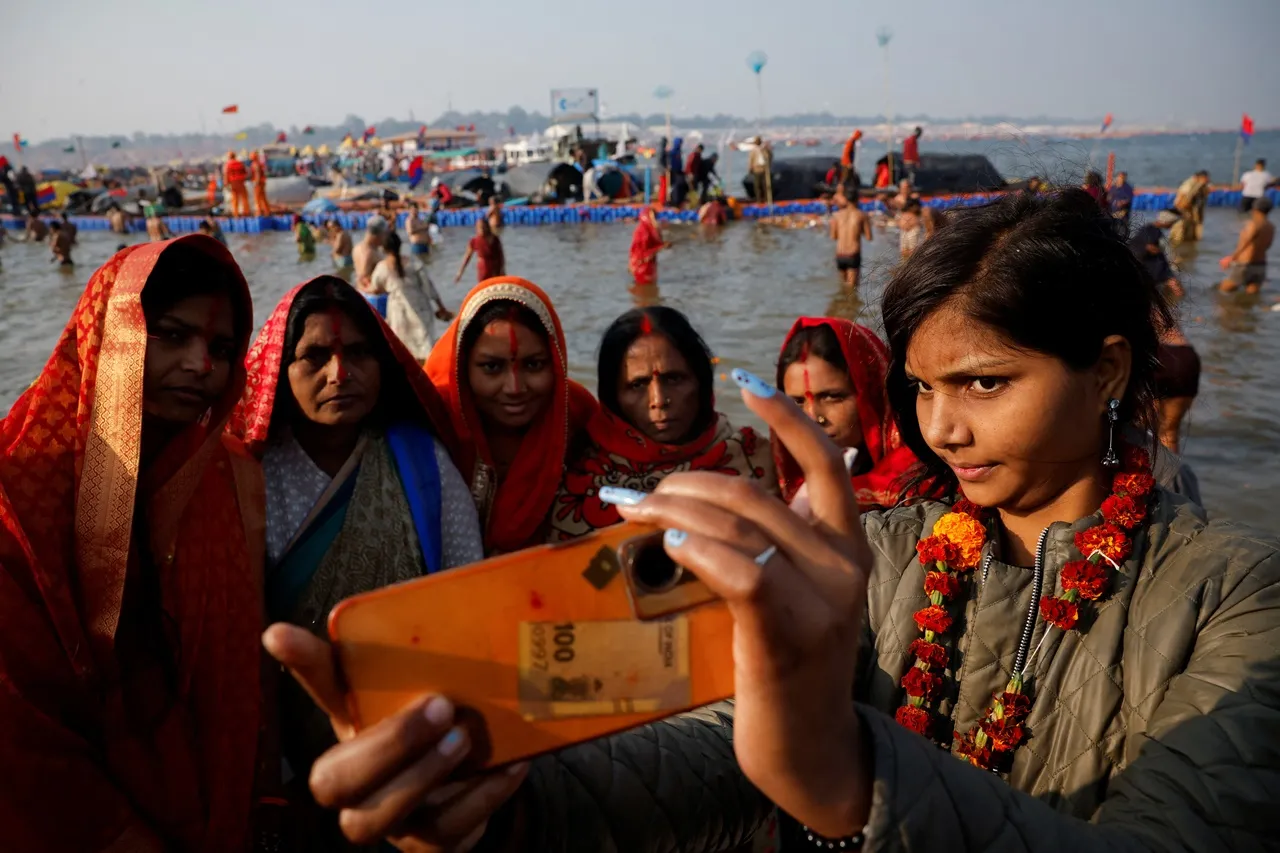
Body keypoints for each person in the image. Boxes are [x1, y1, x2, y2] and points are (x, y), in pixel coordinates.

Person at [257, 188, 1280, 853]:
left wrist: (844, 773)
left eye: (982, 382)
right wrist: (503, 793)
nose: (942, 428)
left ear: (1104, 369)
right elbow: (714, 743)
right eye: (922, 388)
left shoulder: (1235, 595)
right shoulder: (880, 548)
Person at [0, 237, 268, 852]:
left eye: (222, 349)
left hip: (205, 805)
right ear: (108, 336)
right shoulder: (18, 489)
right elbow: (19, 726)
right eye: (171, 336)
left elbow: (242, 673)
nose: (202, 365)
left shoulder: (225, 481)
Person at [226, 276, 483, 851]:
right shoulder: (250, 477)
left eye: (358, 353)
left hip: (413, 737)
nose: (340, 374)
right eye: (315, 357)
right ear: (279, 373)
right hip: (280, 749)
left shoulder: (422, 461)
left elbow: (465, 595)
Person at [549, 306, 775, 540]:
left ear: (701, 382)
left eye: (674, 378)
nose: (659, 400)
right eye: (637, 385)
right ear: (612, 397)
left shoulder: (751, 455)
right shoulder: (579, 472)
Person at [425, 277, 596, 552]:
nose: (514, 388)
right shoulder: (432, 420)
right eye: (492, 367)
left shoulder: (578, 415)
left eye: (534, 365)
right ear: (462, 366)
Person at [774, 317, 921, 511]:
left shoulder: (925, 481)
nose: (812, 418)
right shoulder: (766, 475)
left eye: (832, 397)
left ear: (874, 395)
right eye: (797, 401)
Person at [374, 230, 453, 358]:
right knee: (425, 346)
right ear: (400, 246)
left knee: (402, 349)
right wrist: (441, 307)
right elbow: (429, 288)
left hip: (397, 309)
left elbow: (376, 288)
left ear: (384, 248)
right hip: (419, 307)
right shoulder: (414, 263)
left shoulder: (381, 268)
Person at [1153, 323, 1200, 454]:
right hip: (1185, 354)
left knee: (1137, 428)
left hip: (1156, 350)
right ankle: (1170, 474)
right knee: (1170, 432)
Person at [1219, 195, 1274, 294]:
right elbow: (1267, 245)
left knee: (1222, 293)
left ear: (1255, 209)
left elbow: (1245, 243)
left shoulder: (1253, 224)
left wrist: (1231, 258)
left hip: (1245, 265)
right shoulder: (1271, 227)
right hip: (1261, 265)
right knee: (1250, 296)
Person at [1128, 209, 1182, 298]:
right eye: (1172, 223)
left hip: (1151, 266)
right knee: (1175, 288)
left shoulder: (1149, 228)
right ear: (1166, 221)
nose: (1172, 225)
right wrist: (1164, 251)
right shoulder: (1154, 231)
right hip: (1154, 267)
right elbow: (1149, 247)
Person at [830, 188, 872, 288]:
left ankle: (842, 303)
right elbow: (869, 237)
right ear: (857, 199)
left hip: (840, 254)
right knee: (852, 290)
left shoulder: (836, 215)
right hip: (852, 254)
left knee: (843, 287)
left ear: (846, 199)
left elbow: (833, 236)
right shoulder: (862, 215)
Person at [454, 217, 505, 285]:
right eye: (480, 227)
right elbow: (467, 257)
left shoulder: (495, 239)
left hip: (496, 270)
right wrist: (460, 272)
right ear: (476, 228)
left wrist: (502, 270)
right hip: (483, 271)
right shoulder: (474, 241)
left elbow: (501, 256)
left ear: (487, 227)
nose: (482, 229)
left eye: (483, 227)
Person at [629, 206, 669, 286]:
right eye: (653, 217)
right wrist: (661, 247)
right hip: (642, 264)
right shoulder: (643, 231)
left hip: (650, 263)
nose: (655, 220)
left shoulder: (651, 230)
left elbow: (657, 243)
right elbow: (643, 251)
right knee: (644, 287)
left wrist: (663, 244)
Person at [1171, 170, 1209, 245]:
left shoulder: (1200, 185)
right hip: (1183, 213)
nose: (1207, 181)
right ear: (1200, 177)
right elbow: (1181, 202)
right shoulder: (1188, 185)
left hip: (1192, 215)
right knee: (1179, 237)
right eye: (1205, 179)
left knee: (1191, 239)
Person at [352, 215, 386, 295]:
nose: (384, 238)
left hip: (364, 294)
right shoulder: (369, 253)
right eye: (383, 235)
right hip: (371, 296)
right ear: (376, 235)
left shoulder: (357, 247)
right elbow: (362, 278)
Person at [223, 151, 249, 217]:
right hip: (241, 182)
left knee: (235, 199)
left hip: (233, 183)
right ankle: (246, 212)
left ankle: (236, 214)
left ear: (229, 156)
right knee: (244, 198)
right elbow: (245, 172)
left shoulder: (228, 164)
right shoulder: (240, 163)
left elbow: (226, 175)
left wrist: (226, 184)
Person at [748, 137, 772, 203]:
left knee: (765, 185)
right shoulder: (753, 151)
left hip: (764, 169)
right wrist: (750, 168)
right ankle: (759, 199)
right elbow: (751, 160)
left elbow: (769, 157)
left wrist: (767, 149)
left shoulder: (764, 149)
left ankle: (767, 199)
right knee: (757, 185)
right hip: (757, 169)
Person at [250, 151, 271, 216]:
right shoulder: (258, 163)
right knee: (263, 198)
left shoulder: (255, 164)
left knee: (258, 198)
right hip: (261, 182)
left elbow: (257, 174)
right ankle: (267, 211)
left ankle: (259, 212)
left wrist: (256, 182)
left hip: (258, 183)